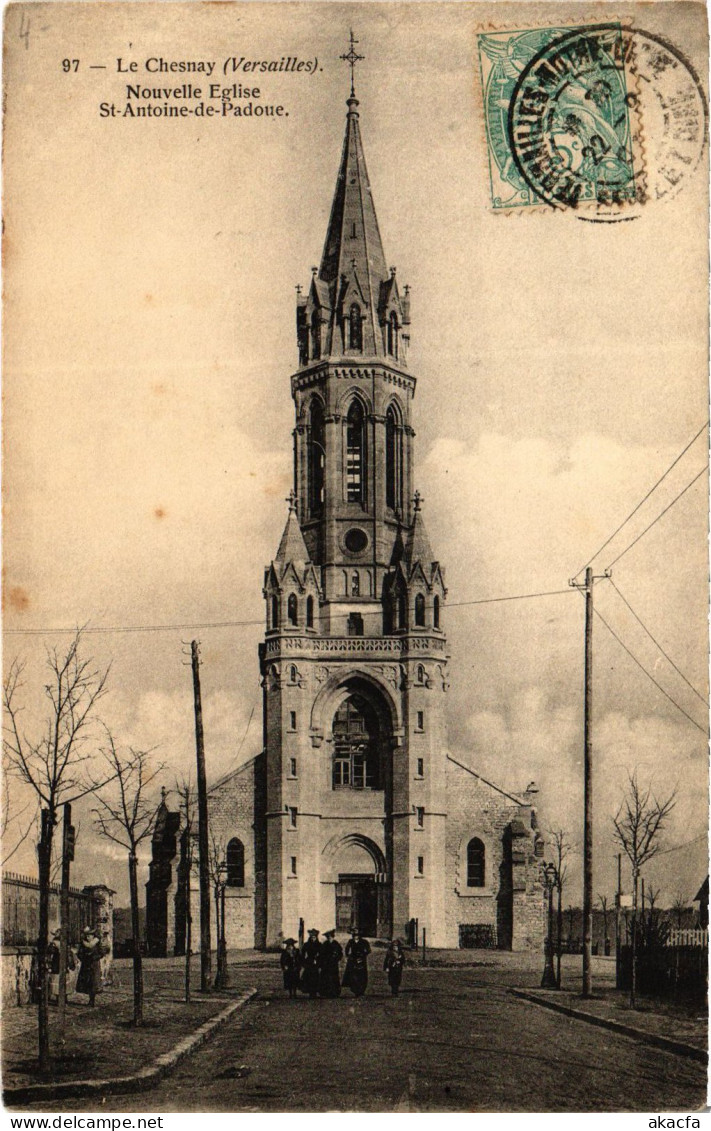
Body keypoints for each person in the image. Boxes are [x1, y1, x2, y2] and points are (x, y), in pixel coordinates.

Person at [75, 926, 106, 1007]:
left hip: (94, 965)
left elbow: (102, 952)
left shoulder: (96, 943)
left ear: (93, 936)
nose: (88, 937)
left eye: (90, 935)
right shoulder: (83, 944)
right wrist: (83, 957)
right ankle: (90, 999)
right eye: (87, 936)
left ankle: (92, 1000)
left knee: (94, 982)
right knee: (87, 982)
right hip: (86, 964)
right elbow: (79, 953)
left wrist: (95, 957)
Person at [342, 926, 370, 997]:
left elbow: (368, 950)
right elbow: (347, 949)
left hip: (361, 960)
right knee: (353, 975)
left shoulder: (364, 942)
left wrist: (363, 955)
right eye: (354, 935)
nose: (355, 937)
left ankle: (361, 990)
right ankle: (355, 990)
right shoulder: (350, 941)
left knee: (362, 975)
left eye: (357, 936)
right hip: (353, 960)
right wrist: (348, 956)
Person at [319, 929, 343, 998]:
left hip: (333, 964)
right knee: (326, 978)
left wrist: (337, 959)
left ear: (333, 937)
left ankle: (334, 992)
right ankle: (326, 992)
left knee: (334, 977)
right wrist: (322, 962)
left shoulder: (336, 944)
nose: (329, 938)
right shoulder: (325, 944)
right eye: (328, 937)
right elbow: (321, 954)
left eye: (330, 937)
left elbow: (340, 953)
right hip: (326, 964)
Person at [299, 928, 322, 998]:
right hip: (309, 962)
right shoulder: (306, 944)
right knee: (309, 977)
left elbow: (322, 954)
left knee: (316, 978)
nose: (313, 939)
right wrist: (303, 962)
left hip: (316, 963)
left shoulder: (319, 945)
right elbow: (303, 954)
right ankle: (310, 992)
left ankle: (315, 992)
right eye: (312, 937)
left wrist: (319, 961)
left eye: (314, 937)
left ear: (316, 937)